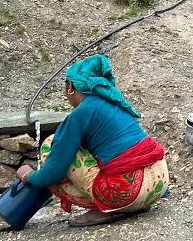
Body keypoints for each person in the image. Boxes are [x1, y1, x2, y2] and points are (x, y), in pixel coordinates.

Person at [16, 55, 169, 227]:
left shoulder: (79, 115)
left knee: (50, 145)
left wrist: (28, 176)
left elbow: (54, 172)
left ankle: (107, 208)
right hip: (159, 182)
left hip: (130, 194)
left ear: (71, 87)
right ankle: (135, 204)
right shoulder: (115, 102)